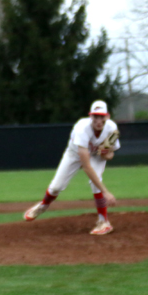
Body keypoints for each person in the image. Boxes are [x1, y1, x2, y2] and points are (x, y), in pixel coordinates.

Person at [23, 100, 121, 235]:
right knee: (56, 186)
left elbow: (110, 155)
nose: (98, 120)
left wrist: (105, 153)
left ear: (107, 116)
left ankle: (103, 222)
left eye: (101, 117)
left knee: (95, 182)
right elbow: (86, 166)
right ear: (90, 116)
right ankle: (43, 205)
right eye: (95, 116)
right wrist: (105, 191)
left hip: (95, 155)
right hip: (74, 153)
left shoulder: (112, 129)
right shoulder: (82, 128)